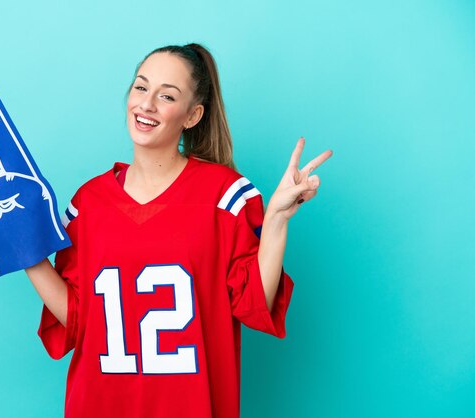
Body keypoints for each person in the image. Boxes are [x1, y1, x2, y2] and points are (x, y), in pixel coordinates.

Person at [24, 43, 332, 418]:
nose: (147, 104)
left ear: (192, 115)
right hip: (100, 405)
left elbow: (254, 305)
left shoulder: (226, 196)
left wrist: (276, 222)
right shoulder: (87, 203)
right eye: (141, 87)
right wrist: (27, 252)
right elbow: (78, 320)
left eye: (166, 95)